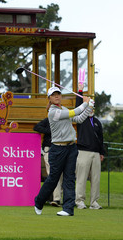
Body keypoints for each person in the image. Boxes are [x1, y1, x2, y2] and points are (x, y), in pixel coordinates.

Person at [34, 85, 93, 216]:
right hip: (57, 149)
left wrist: (89, 107)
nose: (57, 96)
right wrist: (85, 103)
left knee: (69, 178)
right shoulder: (53, 112)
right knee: (53, 179)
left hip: (71, 148)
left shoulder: (64, 109)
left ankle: (68, 209)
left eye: (58, 94)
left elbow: (78, 119)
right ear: (49, 98)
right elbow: (74, 113)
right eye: (54, 95)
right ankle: (38, 201)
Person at [75, 83, 105, 210]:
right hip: (83, 152)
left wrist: (101, 152)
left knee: (96, 179)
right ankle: (79, 201)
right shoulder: (81, 119)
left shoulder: (97, 122)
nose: (91, 109)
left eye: (93, 106)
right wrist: (80, 91)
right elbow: (77, 105)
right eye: (89, 106)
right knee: (81, 178)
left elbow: (101, 138)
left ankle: (94, 202)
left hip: (96, 153)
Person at [33, 117, 63, 206]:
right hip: (49, 148)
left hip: (60, 148)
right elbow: (36, 127)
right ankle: (56, 198)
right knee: (52, 174)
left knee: (58, 174)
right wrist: (50, 131)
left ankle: (55, 197)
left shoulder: (62, 120)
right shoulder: (48, 120)